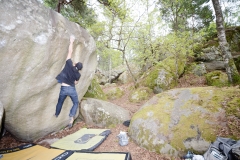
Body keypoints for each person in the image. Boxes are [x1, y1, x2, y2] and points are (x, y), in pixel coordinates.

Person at [55, 35, 83, 129]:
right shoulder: (78, 75)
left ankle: (56, 114)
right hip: (71, 89)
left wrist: (71, 41)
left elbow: (70, 52)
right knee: (75, 103)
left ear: (75, 64)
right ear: (79, 69)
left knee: (60, 102)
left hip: (63, 87)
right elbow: (76, 83)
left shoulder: (69, 64)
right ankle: (71, 117)